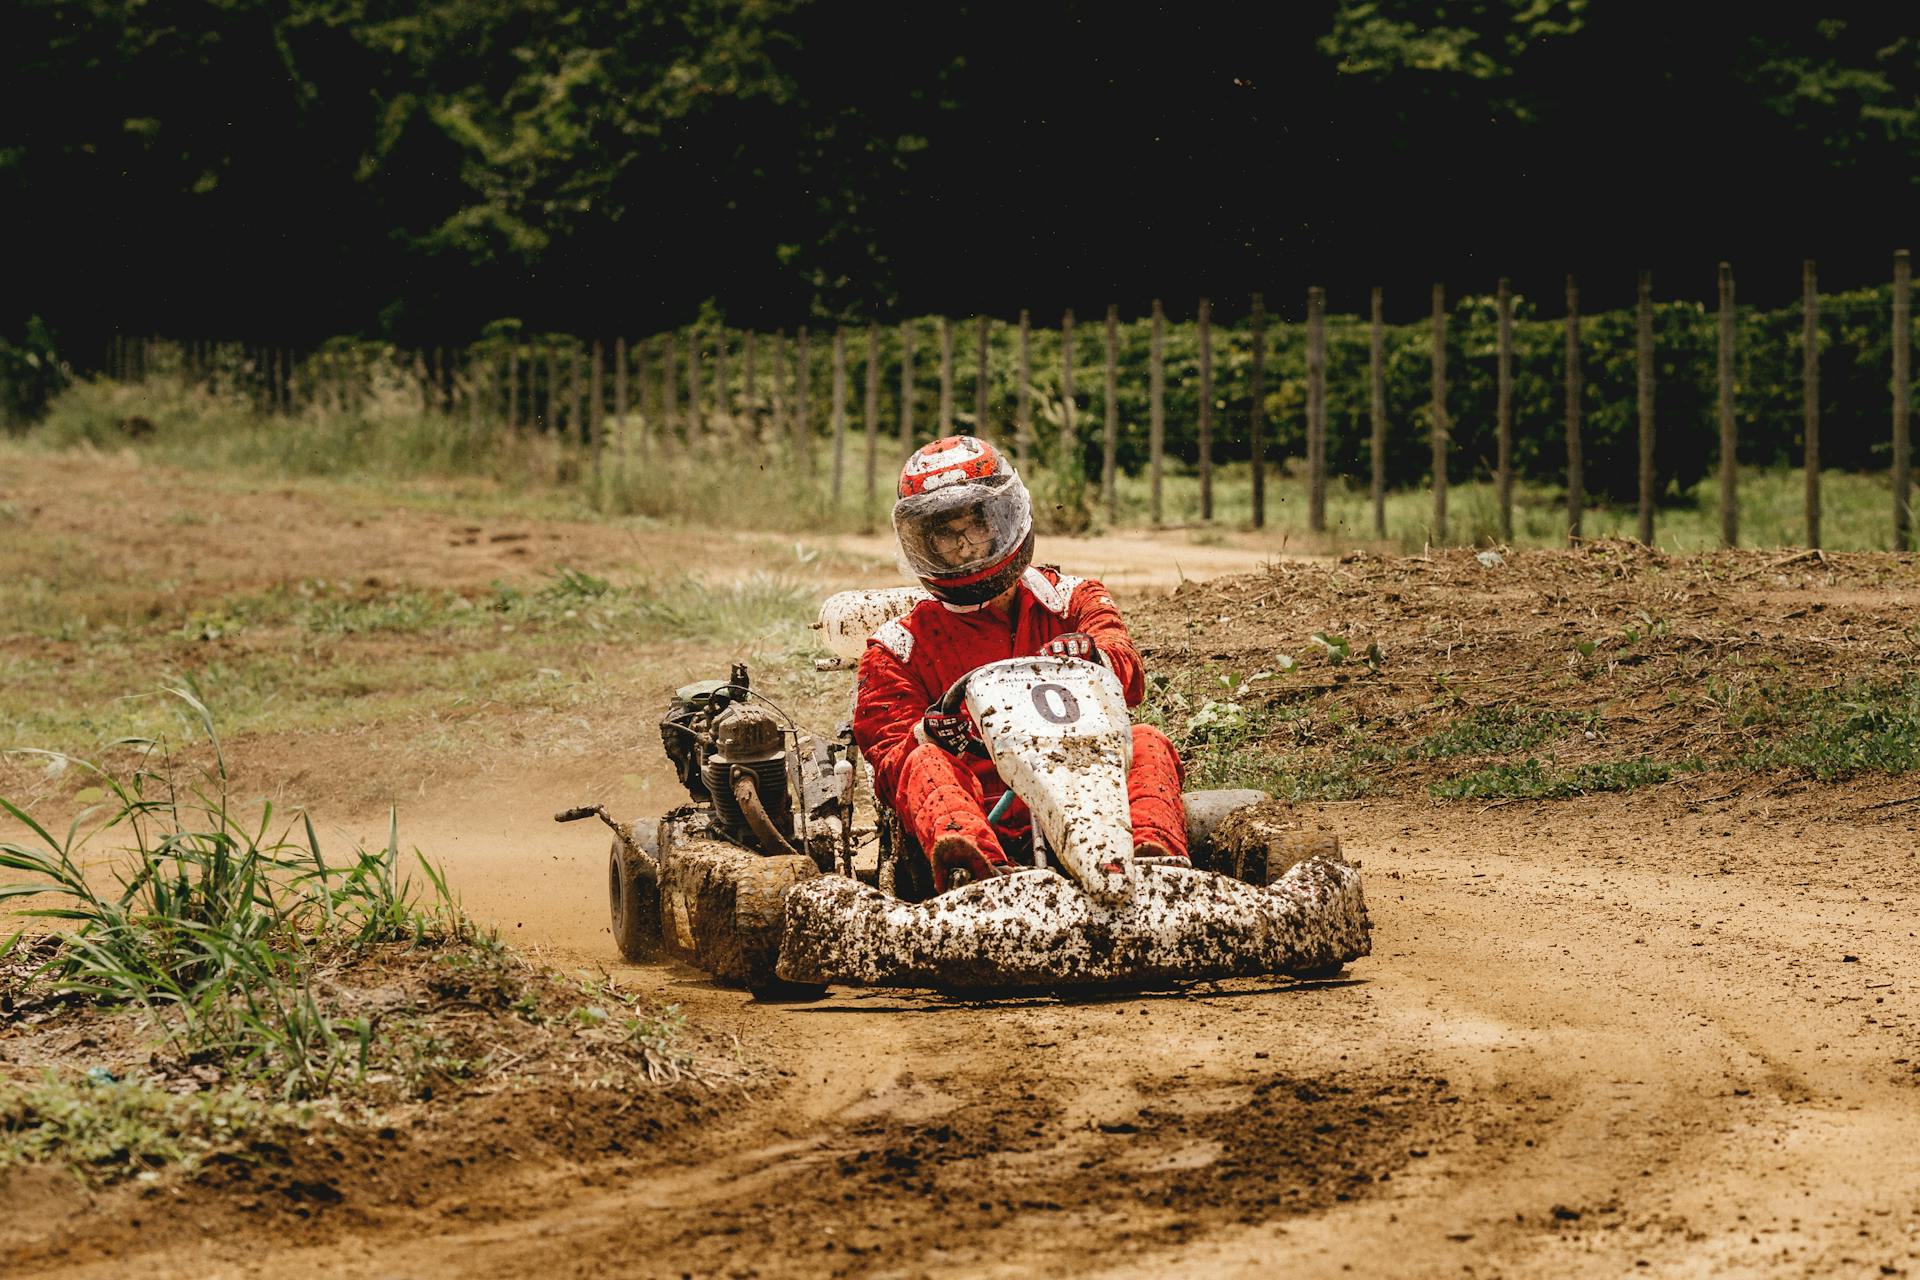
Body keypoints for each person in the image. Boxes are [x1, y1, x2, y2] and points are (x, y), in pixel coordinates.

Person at [851, 435, 1188, 891]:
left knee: (1147, 740)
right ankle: (976, 881)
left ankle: (1155, 867)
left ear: (1005, 519)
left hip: (1088, 800)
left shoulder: (1072, 601)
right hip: (975, 807)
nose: (966, 545)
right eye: (946, 534)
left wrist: (1095, 658)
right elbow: (889, 761)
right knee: (923, 760)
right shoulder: (897, 648)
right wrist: (928, 733)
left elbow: (1128, 675)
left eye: (977, 524)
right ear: (923, 544)